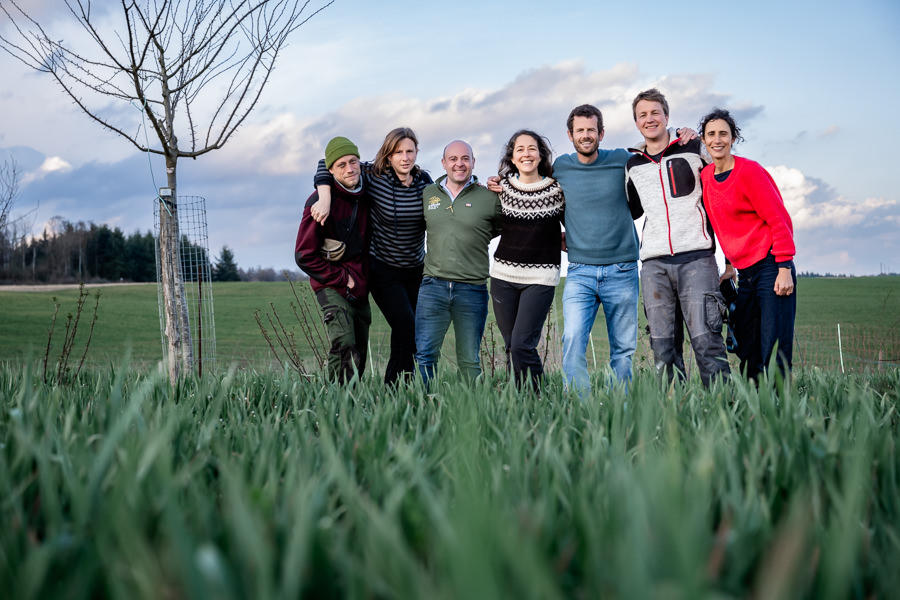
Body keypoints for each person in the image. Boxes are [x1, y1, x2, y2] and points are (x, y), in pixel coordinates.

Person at [309, 128, 433, 385]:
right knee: (408, 329)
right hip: (383, 271)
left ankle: (398, 389)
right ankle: (393, 388)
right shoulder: (374, 175)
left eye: (410, 151)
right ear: (388, 156)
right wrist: (324, 196)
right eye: (398, 152)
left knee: (405, 333)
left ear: (417, 152)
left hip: (415, 270)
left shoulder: (425, 182)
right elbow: (327, 163)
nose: (405, 158)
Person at [625, 89, 730, 387]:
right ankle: (673, 410)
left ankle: (723, 407)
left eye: (655, 112)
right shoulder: (632, 165)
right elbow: (631, 210)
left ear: (667, 116)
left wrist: (731, 261)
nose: (649, 119)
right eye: (642, 115)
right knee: (663, 349)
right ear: (636, 122)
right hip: (654, 266)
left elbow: (724, 187)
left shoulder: (694, 147)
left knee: (707, 342)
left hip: (697, 259)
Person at [699, 108, 796, 381]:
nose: (717, 140)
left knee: (773, 346)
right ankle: (753, 402)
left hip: (771, 266)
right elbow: (723, 226)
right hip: (745, 273)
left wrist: (784, 267)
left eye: (723, 134)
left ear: (733, 138)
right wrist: (729, 266)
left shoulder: (749, 171)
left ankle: (778, 403)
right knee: (746, 343)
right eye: (711, 134)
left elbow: (779, 218)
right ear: (704, 140)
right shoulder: (706, 177)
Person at [415, 140, 502, 387]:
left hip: (472, 289)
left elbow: (500, 228)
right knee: (425, 355)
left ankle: (470, 407)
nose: (459, 164)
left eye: (465, 158)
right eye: (453, 159)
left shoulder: (489, 197)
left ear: (473, 162)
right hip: (433, 287)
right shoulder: (428, 194)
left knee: (469, 360)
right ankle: (423, 404)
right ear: (444, 163)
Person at [490, 130, 565, 390]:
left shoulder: (557, 189)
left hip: (540, 278)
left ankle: (539, 397)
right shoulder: (501, 188)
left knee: (523, 345)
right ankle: (522, 402)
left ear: (541, 154)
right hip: (502, 277)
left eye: (532, 148)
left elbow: (575, 223)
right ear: (512, 157)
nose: (526, 154)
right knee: (512, 346)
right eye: (520, 149)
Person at [294, 136, 371, 383]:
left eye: (353, 161)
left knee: (359, 349)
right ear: (331, 170)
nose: (349, 169)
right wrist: (343, 279)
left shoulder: (367, 189)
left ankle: (353, 400)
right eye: (341, 165)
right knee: (344, 342)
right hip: (331, 284)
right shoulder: (318, 204)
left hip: (361, 284)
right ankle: (336, 400)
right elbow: (304, 255)